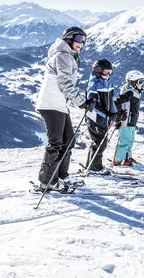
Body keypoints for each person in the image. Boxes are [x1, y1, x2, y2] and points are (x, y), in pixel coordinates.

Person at [35, 26, 88, 192]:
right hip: (52, 103)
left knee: (69, 140)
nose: (82, 43)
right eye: (79, 39)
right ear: (69, 39)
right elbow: (65, 83)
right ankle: (47, 181)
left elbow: (66, 85)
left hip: (59, 104)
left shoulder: (68, 56)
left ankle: (62, 175)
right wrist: (82, 102)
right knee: (56, 143)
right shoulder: (63, 55)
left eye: (84, 40)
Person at [84, 59, 121, 174]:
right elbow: (95, 106)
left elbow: (111, 102)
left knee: (100, 142)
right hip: (94, 118)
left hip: (104, 119)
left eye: (110, 72)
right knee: (99, 142)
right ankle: (95, 168)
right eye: (106, 72)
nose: (108, 75)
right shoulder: (93, 84)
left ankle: (91, 165)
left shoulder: (108, 83)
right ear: (97, 71)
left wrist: (116, 115)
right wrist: (109, 115)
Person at [112, 70, 144, 166]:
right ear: (133, 82)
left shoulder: (134, 91)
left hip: (132, 121)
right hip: (126, 121)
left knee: (130, 140)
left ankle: (127, 158)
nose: (141, 84)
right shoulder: (129, 92)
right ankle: (118, 160)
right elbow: (116, 102)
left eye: (142, 82)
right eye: (140, 82)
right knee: (124, 141)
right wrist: (119, 115)